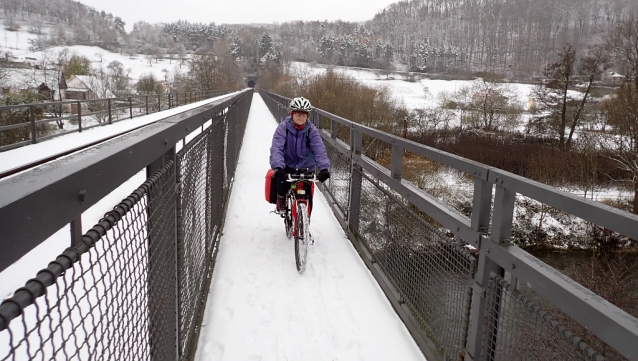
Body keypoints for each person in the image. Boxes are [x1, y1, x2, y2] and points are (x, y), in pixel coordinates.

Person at [269, 96, 331, 214]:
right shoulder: (283, 128)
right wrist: (278, 166)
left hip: (306, 166)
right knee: (282, 184)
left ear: (307, 115)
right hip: (287, 164)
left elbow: (319, 148)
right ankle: (281, 200)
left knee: (308, 196)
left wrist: (324, 168)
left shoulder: (311, 130)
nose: (301, 116)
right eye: (298, 113)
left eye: (304, 114)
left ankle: (305, 223)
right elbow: (277, 147)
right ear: (292, 114)